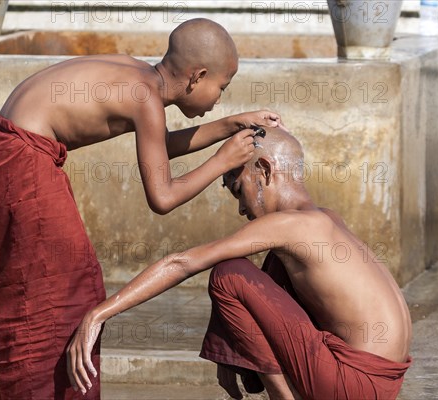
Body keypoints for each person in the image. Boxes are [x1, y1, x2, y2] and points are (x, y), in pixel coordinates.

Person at [0, 18, 284, 399]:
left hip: (12, 150)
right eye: (220, 88)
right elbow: (163, 197)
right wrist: (222, 161)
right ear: (196, 76)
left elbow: (159, 145)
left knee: (69, 285)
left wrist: (231, 124)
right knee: (57, 294)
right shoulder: (145, 97)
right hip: (23, 160)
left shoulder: (139, 75)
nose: (219, 98)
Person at [67, 127, 412, 399]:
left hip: (352, 383)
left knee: (228, 274)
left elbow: (184, 263)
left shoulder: (292, 225)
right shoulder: (324, 219)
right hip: (382, 383)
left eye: (238, 189)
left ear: (262, 170)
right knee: (268, 270)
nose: (241, 209)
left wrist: (98, 313)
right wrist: (228, 341)